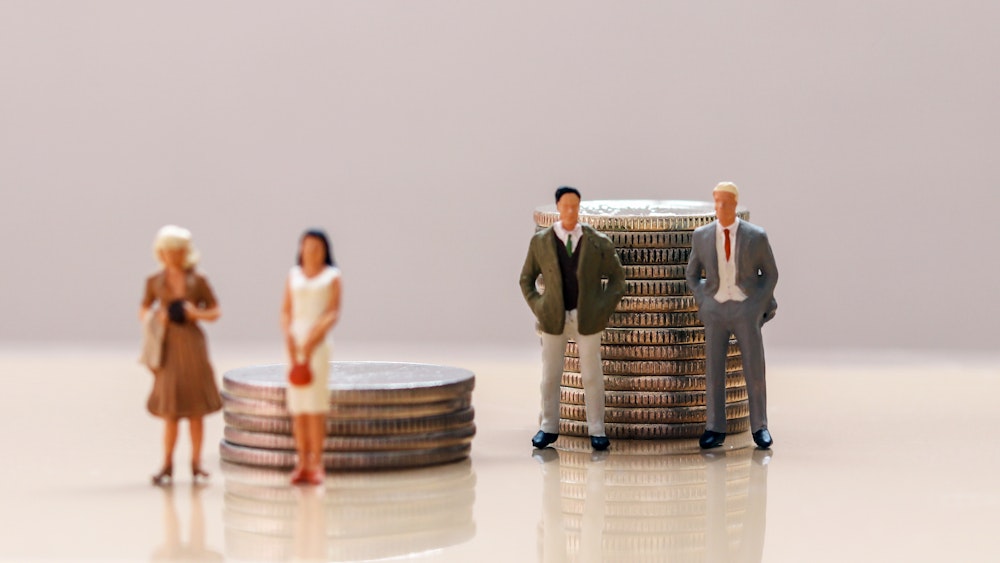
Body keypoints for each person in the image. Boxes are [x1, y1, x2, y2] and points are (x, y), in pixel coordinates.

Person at [520, 186, 626, 451]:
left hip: (587, 319)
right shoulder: (541, 242)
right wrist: (540, 306)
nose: (570, 211)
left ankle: (597, 429)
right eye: (566, 206)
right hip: (553, 319)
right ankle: (548, 427)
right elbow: (526, 279)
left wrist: (602, 308)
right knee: (550, 375)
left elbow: (617, 278)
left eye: (575, 206)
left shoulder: (596, 240)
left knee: (592, 374)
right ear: (558, 206)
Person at [686, 182, 778, 450]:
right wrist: (704, 300)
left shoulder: (755, 236)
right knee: (714, 368)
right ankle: (715, 427)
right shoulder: (702, 236)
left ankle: (759, 426)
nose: (720, 207)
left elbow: (770, 274)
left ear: (735, 204)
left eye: (725, 203)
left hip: (744, 309)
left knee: (754, 368)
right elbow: (692, 274)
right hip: (715, 309)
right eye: (717, 202)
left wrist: (756, 305)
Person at [140, 225, 222, 485]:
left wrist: (194, 313)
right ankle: (167, 463)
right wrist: (157, 317)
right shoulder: (154, 282)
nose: (172, 257)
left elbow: (215, 311)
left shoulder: (198, 281)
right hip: (168, 347)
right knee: (171, 412)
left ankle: (196, 463)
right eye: (167, 252)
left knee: (196, 410)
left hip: (192, 346)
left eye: (176, 252)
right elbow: (143, 310)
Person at [281, 229, 342, 485]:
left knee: (315, 406)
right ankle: (301, 461)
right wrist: (290, 337)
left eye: (317, 247)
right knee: (298, 408)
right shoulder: (293, 276)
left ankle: (317, 461)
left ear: (325, 250)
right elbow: (286, 310)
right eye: (307, 246)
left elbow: (332, 312)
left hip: (317, 347)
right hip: (294, 345)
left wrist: (312, 338)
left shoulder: (332, 277)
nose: (311, 252)